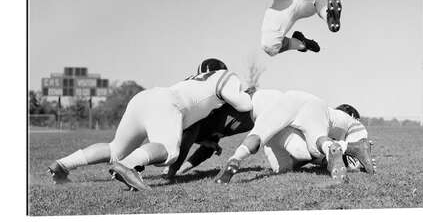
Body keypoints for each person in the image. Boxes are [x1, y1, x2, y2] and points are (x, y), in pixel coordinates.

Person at [47, 58, 252, 191]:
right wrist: (247, 95)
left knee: (114, 149)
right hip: (167, 104)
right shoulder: (225, 76)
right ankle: (128, 166)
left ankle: (63, 164)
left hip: (144, 98)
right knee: (169, 151)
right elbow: (244, 104)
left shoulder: (191, 81)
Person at [214, 89, 372, 185]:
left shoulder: (264, 106)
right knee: (310, 147)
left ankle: (235, 159)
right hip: (307, 103)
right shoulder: (271, 97)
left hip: (283, 106)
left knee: (260, 138)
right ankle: (336, 149)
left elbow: (258, 137)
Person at [262, 103, 376, 174]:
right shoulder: (347, 122)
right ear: (351, 116)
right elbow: (353, 166)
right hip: (304, 122)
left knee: (281, 167)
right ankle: (352, 148)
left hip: (284, 128)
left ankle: (349, 148)